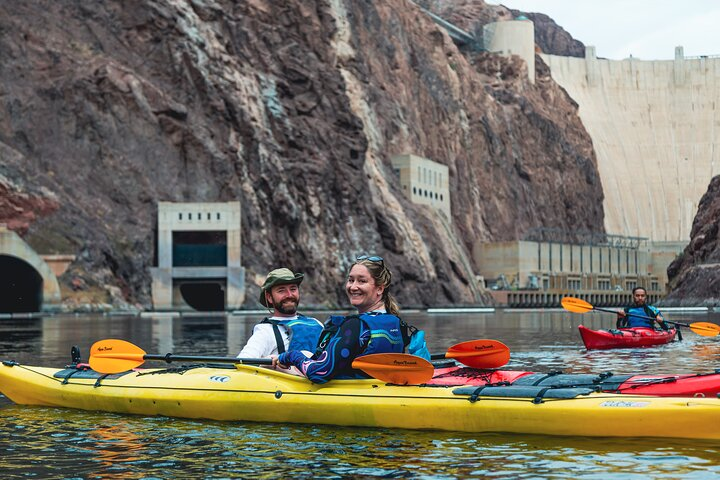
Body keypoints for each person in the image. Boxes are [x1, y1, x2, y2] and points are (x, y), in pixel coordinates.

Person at [274, 255, 410, 384]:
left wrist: (291, 356)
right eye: (351, 280)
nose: (353, 287)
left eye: (362, 281)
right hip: (379, 391)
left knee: (268, 363)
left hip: (353, 395)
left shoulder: (356, 325)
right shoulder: (396, 322)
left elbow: (319, 373)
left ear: (380, 288)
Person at [237, 268, 323, 360]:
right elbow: (243, 360)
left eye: (293, 289)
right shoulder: (265, 331)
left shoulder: (316, 323)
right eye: (281, 291)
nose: (289, 295)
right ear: (269, 297)